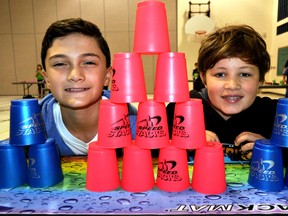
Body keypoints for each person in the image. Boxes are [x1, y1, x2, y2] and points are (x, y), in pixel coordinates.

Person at [167, 25, 278, 161]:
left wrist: (275, 151)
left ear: (260, 79)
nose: (232, 85)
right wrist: (177, 145)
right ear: (203, 78)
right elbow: (150, 152)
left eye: (245, 74)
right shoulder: (179, 111)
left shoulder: (276, 115)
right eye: (220, 74)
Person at [39, 18, 137, 156]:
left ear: (107, 76)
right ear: (47, 79)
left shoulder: (139, 128)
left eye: (89, 62)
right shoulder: (33, 130)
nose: (75, 75)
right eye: (60, 64)